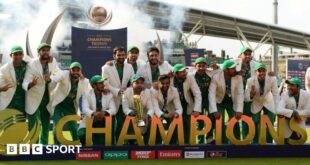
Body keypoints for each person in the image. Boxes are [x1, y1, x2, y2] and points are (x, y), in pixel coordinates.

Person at [22, 43, 60, 144]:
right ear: (39, 52)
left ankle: (43, 147)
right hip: (33, 97)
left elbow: (57, 75)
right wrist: (31, 84)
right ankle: (33, 147)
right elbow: (25, 82)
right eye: (43, 50)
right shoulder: (32, 64)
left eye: (47, 50)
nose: (46, 52)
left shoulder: (53, 61)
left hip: (47, 98)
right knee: (33, 125)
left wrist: (50, 79)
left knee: (46, 125)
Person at [48, 62, 91, 144]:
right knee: (56, 129)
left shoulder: (84, 81)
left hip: (71, 107)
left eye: (77, 70)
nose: (75, 72)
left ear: (80, 71)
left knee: (75, 130)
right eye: (73, 70)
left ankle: (76, 149)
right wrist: (50, 79)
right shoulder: (64, 74)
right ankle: (57, 149)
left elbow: (90, 93)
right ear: (70, 70)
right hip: (59, 105)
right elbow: (56, 78)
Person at [101, 46, 134, 144]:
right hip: (111, 98)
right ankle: (110, 145)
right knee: (109, 125)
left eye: (123, 55)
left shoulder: (129, 67)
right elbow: (105, 84)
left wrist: (127, 89)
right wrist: (117, 91)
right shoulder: (106, 67)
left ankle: (119, 144)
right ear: (114, 56)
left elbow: (133, 81)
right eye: (118, 55)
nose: (121, 57)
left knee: (121, 124)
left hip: (124, 99)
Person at [208, 60, 244, 144]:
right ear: (225, 70)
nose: (234, 69)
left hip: (232, 102)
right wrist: (214, 110)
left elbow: (240, 93)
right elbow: (211, 94)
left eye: (234, 68)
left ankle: (237, 142)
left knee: (235, 119)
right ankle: (222, 143)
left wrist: (239, 110)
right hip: (219, 102)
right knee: (219, 120)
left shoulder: (238, 77)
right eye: (232, 68)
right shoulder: (216, 77)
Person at [244, 63, 279, 143]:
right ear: (255, 72)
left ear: (266, 71)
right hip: (256, 101)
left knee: (270, 121)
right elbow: (246, 98)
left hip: (268, 100)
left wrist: (277, 109)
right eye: (259, 71)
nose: (262, 73)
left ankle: (269, 142)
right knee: (255, 121)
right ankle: (255, 142)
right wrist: (251, 95)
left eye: (264, 70)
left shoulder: (272, 79)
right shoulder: (250, 81)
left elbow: (276, 94)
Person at [78, 75, 116, 145]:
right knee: (81, 134)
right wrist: (94, 113)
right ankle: (85, 147)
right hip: (90, 120)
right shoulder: (86, 94)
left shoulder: (108, 94)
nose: (103, 84)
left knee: (101, 145)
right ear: (94, 86)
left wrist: (104, 112)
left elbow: (113, 109)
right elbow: (84, 109)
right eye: (100, 83)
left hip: (103, 121)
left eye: (103, 82)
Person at [171, 63, 201, 144]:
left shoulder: (190, 77)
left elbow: (197, 93)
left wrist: (197, 109)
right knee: (173, 127)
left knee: (187, 125)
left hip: (186, 104)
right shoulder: (170, 79)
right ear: (175, 74)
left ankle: (187, 146)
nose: (184, 73)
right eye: (181, 72)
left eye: (184, 71)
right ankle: (171, 147)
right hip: (173, 106)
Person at [192, 57, 218, 144]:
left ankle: (209, 138)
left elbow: (220, 70)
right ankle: (200, 140)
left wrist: (216, 66)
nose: (201, 68)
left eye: (203, 66)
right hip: (196, 101)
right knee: (199, 120)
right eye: (199, 66)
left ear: (206, 66)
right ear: (195, 66)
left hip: (208, 99)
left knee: (212, 117)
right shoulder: (191, 75)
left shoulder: (210, 73)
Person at [122, 74, 154, 145]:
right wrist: (131, 112)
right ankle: (129, 143)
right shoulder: (126, 92)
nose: (139, 85)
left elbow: (151, 108)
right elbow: (125, 108)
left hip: (144, 118)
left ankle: (147, 146)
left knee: (152, 121)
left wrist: (148, 116)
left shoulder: (148, 92)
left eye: (141, 83)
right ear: (131, 84)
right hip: (131, 119)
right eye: (137, 83)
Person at [277, 77, 310, 144]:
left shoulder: (307, 95)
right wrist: (293, 112)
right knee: (283, 151)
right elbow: (278, 110)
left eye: (292, 85)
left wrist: (297, 113)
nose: (289, 87)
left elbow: (308, 111)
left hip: (300, 129)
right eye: (288, 85)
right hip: (286, 129)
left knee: (299, 152)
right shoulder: (284, 95)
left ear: (298, 87)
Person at [151, 74, 182, 144]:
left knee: (176, 122)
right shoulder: (153, 91)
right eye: (163, 83)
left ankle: (172, 145)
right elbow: (155, 107)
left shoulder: (174, 90)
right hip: (158, 111)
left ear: (170, 83)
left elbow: (179, 107)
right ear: (158, 83)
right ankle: (157, 145)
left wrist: (176, 113)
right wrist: (164, 115)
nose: (165, 85)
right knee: (157, 126)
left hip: (170, 110)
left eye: (167, 83)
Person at [0, 46, 28, 116]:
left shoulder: (27, 66)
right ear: (10, 55)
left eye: (20, 54)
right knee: (9, 123)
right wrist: (1, 89)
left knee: (21, 122)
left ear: (23, 55)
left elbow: (38, 63)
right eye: (15, 54)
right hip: (9, 100)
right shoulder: (4, 69)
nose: (18, 56)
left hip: (22, 100)